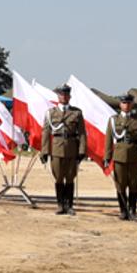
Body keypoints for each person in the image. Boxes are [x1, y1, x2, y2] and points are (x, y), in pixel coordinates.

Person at [104, 93, 137, 221]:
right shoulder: (114, 120)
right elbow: (108, 140)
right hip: (119, 156)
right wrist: (107, 157)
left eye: (129, 103)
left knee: (134, 184)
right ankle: (123, 211)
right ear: (120, 104)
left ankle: (133, 210)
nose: (126, 105)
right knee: (121, 184)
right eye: (124, 103)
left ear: (132, 104)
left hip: (134, 155)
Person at [42, 84, 85, 216]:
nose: (64, 97)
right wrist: (45, 151)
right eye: (61, 95)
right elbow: (46, 132)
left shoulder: (76, 113)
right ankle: (60, 205)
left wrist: (82, 150)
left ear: (69, 96)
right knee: (59, 177)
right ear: (58, 96)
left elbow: (82, 133)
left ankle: (69, 206)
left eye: (66, 95)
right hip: (56, 148)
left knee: (70, 177)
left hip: (72, 148)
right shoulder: (51, 113)